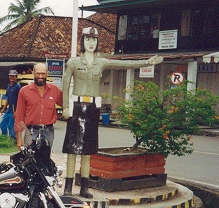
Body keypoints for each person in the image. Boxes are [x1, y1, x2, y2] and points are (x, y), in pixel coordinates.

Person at [62, 27, 163, 198]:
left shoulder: (101, 62)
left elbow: (123, 63)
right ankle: (68, 187)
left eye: (94, 40)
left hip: (93, 109)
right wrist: (65, 106)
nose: (91, 43)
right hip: (77, 107)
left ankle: (84, 187)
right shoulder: (73, 62)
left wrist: (147, 62)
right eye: (88, 40)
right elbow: (65, 85)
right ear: (82, 42)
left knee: (87, 151)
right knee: (72, 150)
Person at [14, 63, 63, 155]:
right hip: (31, 132)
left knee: (45, 161)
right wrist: (19, 137)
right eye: (38, 74)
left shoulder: (54, 90)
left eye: (43, 74)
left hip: (48, 132)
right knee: (30, 160)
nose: (40, 76)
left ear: (47, 74)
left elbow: (67, 103)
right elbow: (19, 115)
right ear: (33, 73)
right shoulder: (24, 91)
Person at [0, 70, 21, 139]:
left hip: (14, 110)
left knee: (10, 126)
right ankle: (4, 139)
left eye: (13, 76)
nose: (11, 77)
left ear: (16, 77)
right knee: (3, 124)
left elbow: (19, 100)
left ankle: (13, 141)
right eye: (10, 76)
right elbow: (8, 98)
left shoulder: (18, 87)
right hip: (8, 110)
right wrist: (3, 108)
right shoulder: (8, 86)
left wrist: (16, 111)